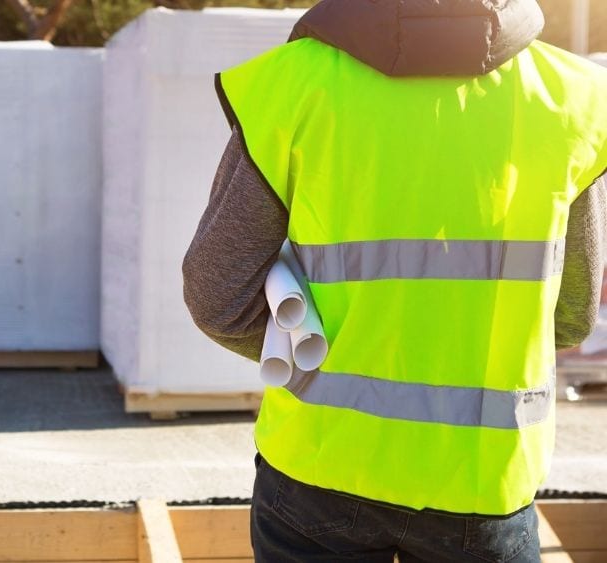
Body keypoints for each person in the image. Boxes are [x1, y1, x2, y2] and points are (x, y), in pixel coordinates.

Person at [182, 0, 607, 561]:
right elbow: (573, 315)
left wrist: (310, 359)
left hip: (319, 465)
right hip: (483, 481)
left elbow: (218, 298)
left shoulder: (293, 85)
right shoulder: (574, 98)